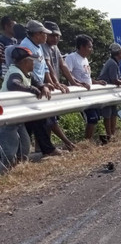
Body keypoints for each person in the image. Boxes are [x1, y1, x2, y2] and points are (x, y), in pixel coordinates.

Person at [0, 47, 48, 172]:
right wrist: (30, 89)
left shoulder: (26, 73)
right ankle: (4, 175)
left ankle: (17, 171)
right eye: (32, 61)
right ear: (24, 62)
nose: (34, 63)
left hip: (17, 117)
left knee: (25, 147)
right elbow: (13, 84)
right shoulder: (15, 72)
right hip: (7, 118)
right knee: (9, 152)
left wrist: (43, 86)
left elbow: (37, 81)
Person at [20, 20, 61, 157]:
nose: (46, 36)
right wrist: (41, 85)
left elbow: (44, 68)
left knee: (35, 121)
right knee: (37, 120)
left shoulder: (38, 46)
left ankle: (33, 150)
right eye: (44, 34)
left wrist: (51, 83)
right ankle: (46, 149)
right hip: (28, 86)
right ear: (37, 34)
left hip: (38, 87)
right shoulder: (26, 47)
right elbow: (27, 70)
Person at [42, 21, 81, 151]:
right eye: (52, 35)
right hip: (46, 85)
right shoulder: (43, 47)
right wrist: (56, 83)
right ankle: (67, 143)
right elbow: (48, 66)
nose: (56, 38)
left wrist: (74, 81)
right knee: (50, 119)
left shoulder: (55, 48)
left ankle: (45, 148)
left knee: (49, 119)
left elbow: (63, 65)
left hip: (54, 85)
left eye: (57, 35)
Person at [65, 34, 107, 140]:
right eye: (89, 47)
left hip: (89, 93)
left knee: (96, 117)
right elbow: (67, 75)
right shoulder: (71, 58)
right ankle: (87, 142)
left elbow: (86, 78)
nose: (91, 50)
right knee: (91, 118)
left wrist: (96, 82)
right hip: (80, 94)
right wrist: (79, 84)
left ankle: (89, 140)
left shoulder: (85, 60)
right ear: (82, 46)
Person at [97, 43, 121, 141]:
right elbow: (114, 79)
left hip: (111, 92)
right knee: (108, 114)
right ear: (117, 53)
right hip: (106, 91)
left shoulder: (115, 63)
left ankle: (112, 134)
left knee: (113, 113)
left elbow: (119, 77)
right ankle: (109, 134)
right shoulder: (112, 63)